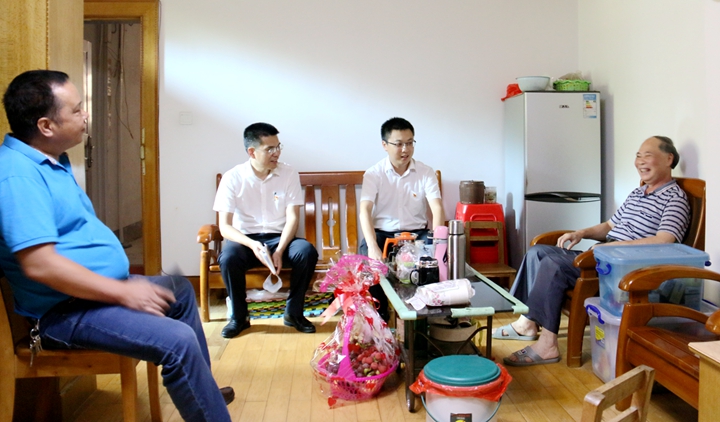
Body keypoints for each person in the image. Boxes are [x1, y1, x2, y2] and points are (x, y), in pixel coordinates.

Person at [0, 70, 233, 421]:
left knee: (179, 290)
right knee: (177, 340)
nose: (85, 115)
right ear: (46, 126)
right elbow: (40, 264)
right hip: (64, 313)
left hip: (92, 297)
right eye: (76, 109)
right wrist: (122, 292)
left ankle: (204, 393)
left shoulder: (53, 160)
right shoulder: (17, 175)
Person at [496, 136, 691, 367]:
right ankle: (527, 322)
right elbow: (610, 226)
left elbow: (664, 241)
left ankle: (548, 345)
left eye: (647, 155)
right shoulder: (638, 193)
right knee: (537, 252)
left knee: (554, 264)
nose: (640, 161)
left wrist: (613, 247)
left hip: (623, 269)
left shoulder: (675, 198)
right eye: (638, 156)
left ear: (668, 159)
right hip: (603, 256)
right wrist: (581, 233)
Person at [214, 122, 319, 338]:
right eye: (270, 149)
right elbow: (225, 227)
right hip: (246, 241)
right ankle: (239, 317)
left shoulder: (288, 173)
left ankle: (294, 313)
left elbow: (293, 218)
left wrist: (279, 250)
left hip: (280, 238)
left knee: (306, 251)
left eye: (278, 147)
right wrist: (252, 244)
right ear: (252, 152)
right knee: (229, 258)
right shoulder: (233, 177)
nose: (276, 153)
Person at [359, 117, 445, 320]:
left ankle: (424, 314)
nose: (405, 149)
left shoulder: (425, 172)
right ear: (385, 145)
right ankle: (380, 315)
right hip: (384, 234)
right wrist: (372, 246)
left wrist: (438, 242)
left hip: (417, 234)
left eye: (409, 143)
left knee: (434, 260)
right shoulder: (374, 174)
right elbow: (364, 210)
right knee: (367, 255)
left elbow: (437, 208)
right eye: (398, 144)